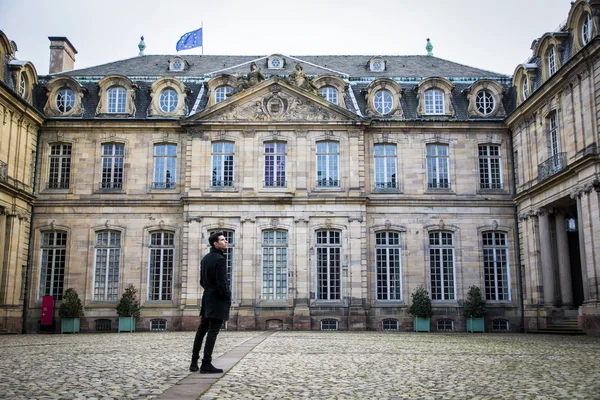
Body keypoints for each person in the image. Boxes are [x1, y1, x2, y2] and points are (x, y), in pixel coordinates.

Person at [189, 232, 232, 373]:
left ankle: (194, 362)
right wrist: (227, 296)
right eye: (222, 240)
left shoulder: (205, 258)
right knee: (213, 331)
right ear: (215, 243)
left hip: (207, 298)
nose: (225, 241)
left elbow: (202, 281)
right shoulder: (220, 259)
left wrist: (210, 290)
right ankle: (206, 363)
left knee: (202, 330)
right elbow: (222, 283)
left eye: (225, 239)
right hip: (217, 300)